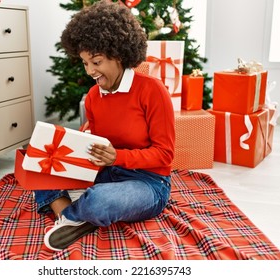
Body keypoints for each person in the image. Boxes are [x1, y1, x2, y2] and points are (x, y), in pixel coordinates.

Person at [35, 0, 175, 251]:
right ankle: (73, 218)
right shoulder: (92, 96)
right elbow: (96, 146)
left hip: (148, 183)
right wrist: (74, 147)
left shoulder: (153, 91)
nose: (90, 71)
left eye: (96, 62)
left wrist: (117, 157)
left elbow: (165, 155)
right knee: (40, 166)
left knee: (100, 200)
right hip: (106, 173)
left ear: (118, 55)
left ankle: (69, 214)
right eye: (85, 63)